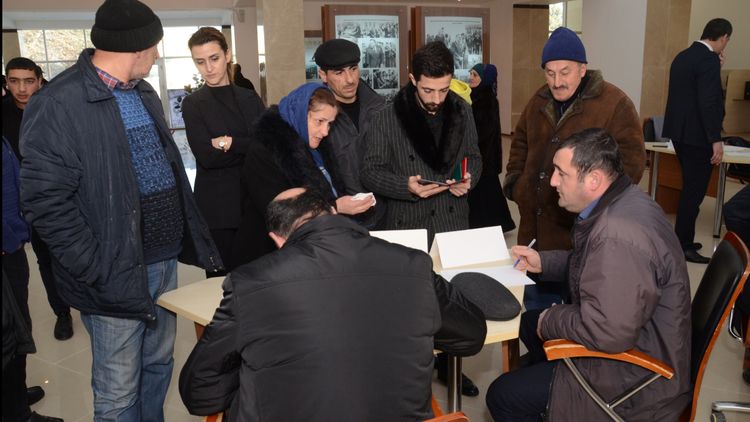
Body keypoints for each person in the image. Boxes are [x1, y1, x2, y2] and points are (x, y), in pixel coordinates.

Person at [18, 1, 223, 420]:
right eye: (155, 46)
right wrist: (94, 266)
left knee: (158, 365)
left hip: (162, 260)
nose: (157, 55)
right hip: (112, 270)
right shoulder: (59, 102)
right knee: (118, 388)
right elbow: (44, 201)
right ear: (137, 46)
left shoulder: (143, 92)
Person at [179, 187, 487, 421]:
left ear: (277, 239)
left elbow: (200, 393)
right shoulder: (413, 264)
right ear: (333, 213)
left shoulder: (251, 282)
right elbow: (471, 335)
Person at [486, 128, 692, 421]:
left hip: (638, 380)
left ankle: (554, 394)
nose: (553, 181)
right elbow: (597, 267)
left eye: (561, 173)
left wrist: (550, 319)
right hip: (642, 341)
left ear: (594, 180)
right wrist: (544, 262)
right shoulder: (625, 200)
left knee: (503, 396)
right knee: (528, 323)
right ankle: (549, 385)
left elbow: (608, 333)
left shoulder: (617, 235)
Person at [361, 41, 482, 396]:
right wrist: (406, 186)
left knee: (455, 301)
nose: (436, 99)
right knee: (409, 305)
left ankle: (451, 365)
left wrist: (469, 179)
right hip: (407, 224)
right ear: (412, 79)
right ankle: (411, 370)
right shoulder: (387, 116)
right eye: (428, 90)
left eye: (443, 89)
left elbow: (475, 157)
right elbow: (370, 171)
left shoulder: (462, 110)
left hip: (452, 221)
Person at [504, 27, 646, 310]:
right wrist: (517, 185)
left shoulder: (614, 104)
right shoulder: (538, 100)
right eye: (550, 73)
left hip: (582, 235)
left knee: (576, 315)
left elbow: (631, 164)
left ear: (582, 69)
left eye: (565, 72)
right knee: (534, 314)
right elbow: (519, 143)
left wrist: (594, 207)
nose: (556, 82)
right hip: (534, 232)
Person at [231, 83, 375, 267]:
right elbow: (278, 212)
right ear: (298, 112)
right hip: (267, 256)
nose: (325, 132)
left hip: (309, 251)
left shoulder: (315, 146)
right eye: (319, 121)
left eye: (329, 123)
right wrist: (335, 206)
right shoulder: (264, 150)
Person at [182, 27, 265, 274]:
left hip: (254, 203)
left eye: (214, 58)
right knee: (219, 286)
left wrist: (228, 143)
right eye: (200, 62)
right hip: (217, 210)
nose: (208, 68)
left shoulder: (249, 97)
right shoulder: (193, 104)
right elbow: (206, 157)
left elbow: (266, 146)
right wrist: (246, 145)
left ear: (227, 55)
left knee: (257, 281)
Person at [3, 57, 74, 341]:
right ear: (7, 82)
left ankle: (85, 301)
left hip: (58, 196)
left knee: (67, 255)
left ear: (40, 81)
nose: (21, 88)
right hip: (21, 204)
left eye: (28, 81)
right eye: (14, 81)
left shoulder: (54, 108)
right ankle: (62, 313)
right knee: (45, 260)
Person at [663, 18, 733, 264]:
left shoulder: (683, 56)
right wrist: (716, 139)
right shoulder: (708, 60)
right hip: (698, 137)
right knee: (693, 193)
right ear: (723, 38)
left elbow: (690, 94)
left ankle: (683, 239)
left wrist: (716, 66)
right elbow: (709, 101)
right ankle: (683, 246)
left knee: (689, 189)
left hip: (679, 134)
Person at [3, 137, 62, 422]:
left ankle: (13, 396)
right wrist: (9, 239)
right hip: (6, 248)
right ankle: (17, 413)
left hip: (11, 244)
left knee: (18, 330)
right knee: (10, 334)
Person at [314, 38, 387, 226]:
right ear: (323, 75)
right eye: (339, 73)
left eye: (353, 69)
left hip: (386, 216)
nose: (350, 79)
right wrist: (333, 205)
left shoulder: (380, 108)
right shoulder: (316, 119)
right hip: (341, 221)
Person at [467, 63, 515, 232]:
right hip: (483, 156)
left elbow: (484, 132)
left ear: (485, 79)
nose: (471, 77)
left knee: (485, 192)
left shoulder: (486, 99)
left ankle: (493, 224)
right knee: (488, 193)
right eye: (471, 74)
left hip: (484, 156)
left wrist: (472, 149)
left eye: (475, 75)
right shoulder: (475, 96)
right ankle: (499, 223)